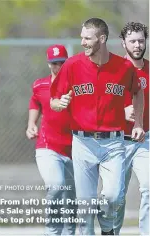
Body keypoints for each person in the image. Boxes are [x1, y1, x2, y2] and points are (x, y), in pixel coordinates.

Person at [50, 18, 145, 235]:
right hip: (82, 143)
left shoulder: (124, 67)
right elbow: (54, 99)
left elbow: (137, 92)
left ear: (101, 39)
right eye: (81, 37)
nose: (82, 42)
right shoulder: (72, 65)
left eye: (87, 38)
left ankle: (108, 225)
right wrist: (59, 103)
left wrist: (138, 122)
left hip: (113, 143)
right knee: (85, 206)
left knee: (113, 196)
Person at [26, 44, 76, 235]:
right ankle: (53, 232)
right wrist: (31, 123)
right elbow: (34, 102)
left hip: (74, 149)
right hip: (48, 146)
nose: (58, 67)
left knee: (72, 197)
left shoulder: (76, 87)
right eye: (54, 63)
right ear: (48, 64)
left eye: (62, 63)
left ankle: (70, 232)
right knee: (55, 186)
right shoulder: (40, 85)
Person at [114, 22, 149, 235]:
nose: (137, 45)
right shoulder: (114, 70)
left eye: (141, 41)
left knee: (148, 187)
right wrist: (121, 112)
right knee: (115, 196)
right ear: (123, 43)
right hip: (117, 142)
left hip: (146, 140)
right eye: (133, 41)